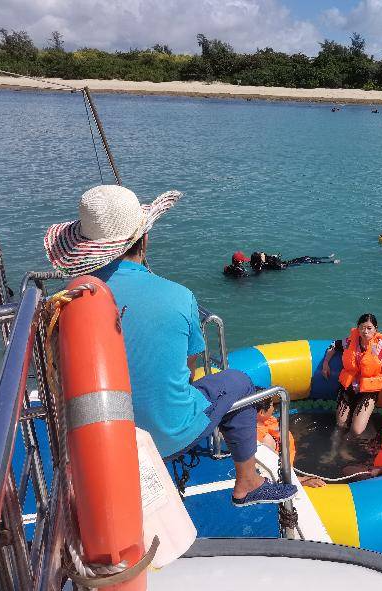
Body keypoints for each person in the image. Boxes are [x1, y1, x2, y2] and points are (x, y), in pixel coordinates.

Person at [44, 185, 296, 507]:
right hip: (168, 437)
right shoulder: (179, 296)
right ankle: (247, 482)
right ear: (144, 239)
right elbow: (187, 374)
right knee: (238, 382)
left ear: (87, 248)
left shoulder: (68, 302)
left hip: (99, 443)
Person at [321, 313, 382, 436]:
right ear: (357, 328)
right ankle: (336, 449)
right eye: (361, 327)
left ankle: (346, 449)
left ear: (375, 329)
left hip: (368, 392)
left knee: (356, 430)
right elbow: (334, 345)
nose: (365, 331)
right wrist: (325, 363)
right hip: (348, 388)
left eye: (369, 328)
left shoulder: (381, 346)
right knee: (340, 425)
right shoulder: (350, 342)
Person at [256, 397, 325, 488]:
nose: (273, 409)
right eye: (272, 406)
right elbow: (272, 473)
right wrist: (301, 481)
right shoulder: (265, 441)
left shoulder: (259, 423)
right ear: (261, 412)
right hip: (278, 476)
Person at [250, 251, 338, 273]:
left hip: (287, 262)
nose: (264, 254)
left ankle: (326, 257)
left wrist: (274, 256)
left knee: (306, 257)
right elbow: (278, 266)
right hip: (288, 265)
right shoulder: (264, 264)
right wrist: (275, 259)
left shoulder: (266, 259)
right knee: (308, 261)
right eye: (262, 255)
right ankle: (330, 262)